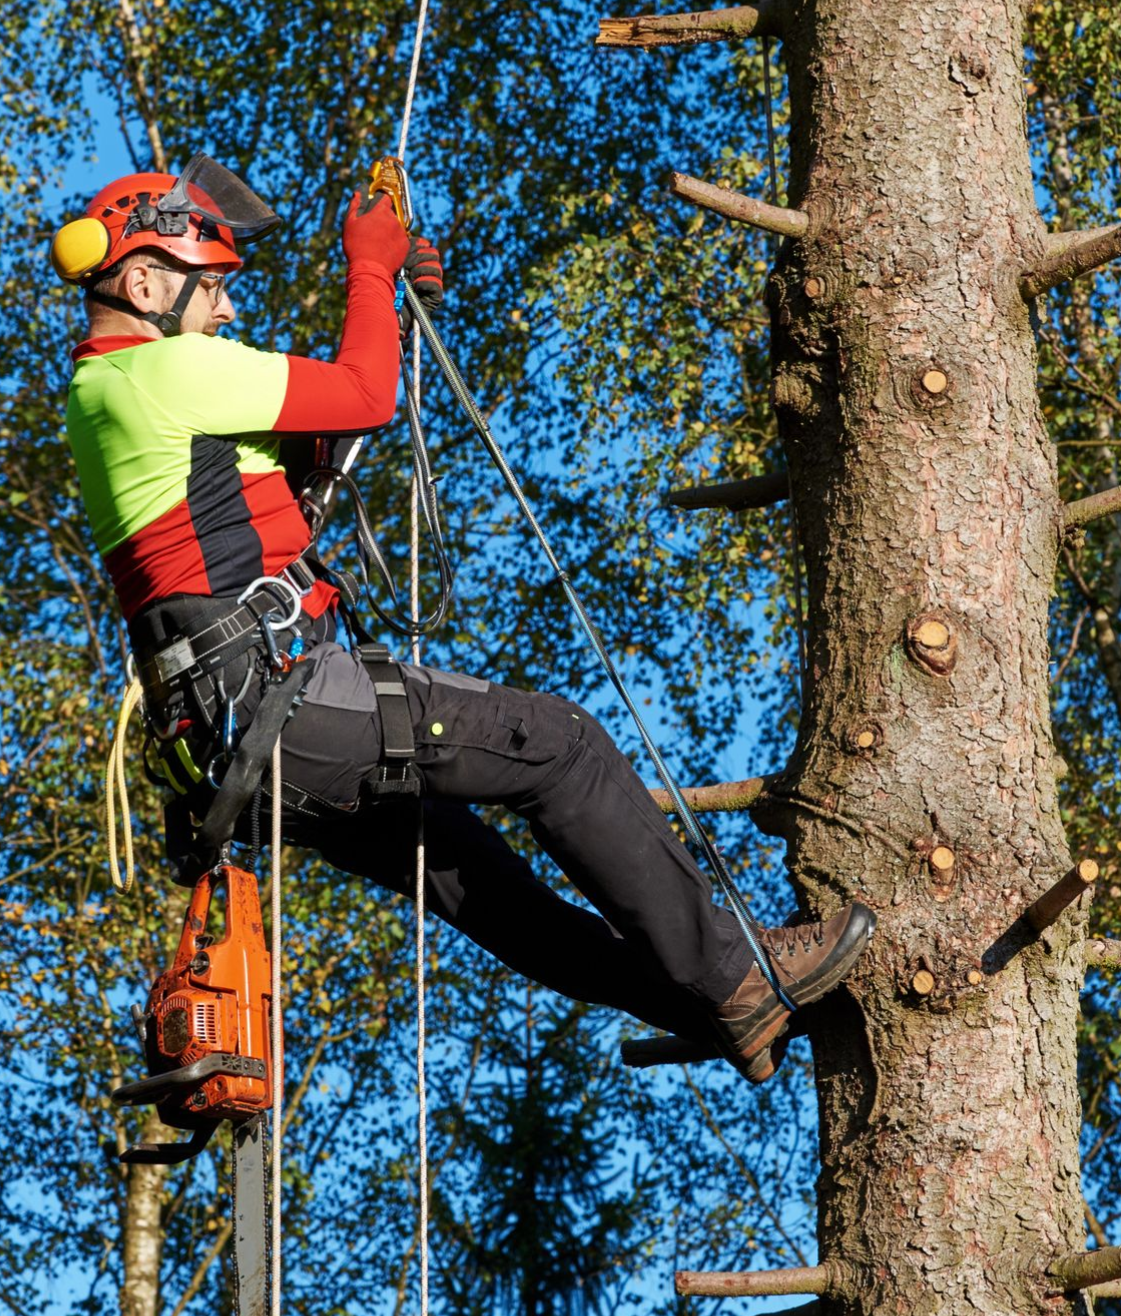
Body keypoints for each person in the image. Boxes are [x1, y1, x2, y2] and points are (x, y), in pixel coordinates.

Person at [54, 155, 876, 1086]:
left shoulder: (116, 394)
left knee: (484, 887)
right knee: (557, 744)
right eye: (211, 289)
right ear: (146, 281)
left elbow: (314, 441)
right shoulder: (163, 373)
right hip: (279, 702)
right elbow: (366, 396)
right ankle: (738, 975)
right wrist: (369, 267)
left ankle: (709, 1006)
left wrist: (388, 309)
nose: (227, 309)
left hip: (233, 744)